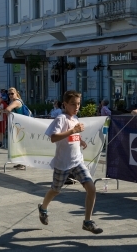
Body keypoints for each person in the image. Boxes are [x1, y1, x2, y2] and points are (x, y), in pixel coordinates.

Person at [37, 90, 102, 235]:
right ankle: (43, 207)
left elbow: (73, 137)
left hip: (77, 161)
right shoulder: (61, 118)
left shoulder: (75, 118)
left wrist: (80, 140)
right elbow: (53, 138)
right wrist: (73, 131)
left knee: (91, 188)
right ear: (65, 104)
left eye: (78, 104)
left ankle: (87, 221)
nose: (76, 107)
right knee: (55, 190)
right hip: (62, 163)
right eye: (73, 104)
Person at [4, 88, 28, 168]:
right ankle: (21, 162)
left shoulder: (16, 102)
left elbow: (8, 109)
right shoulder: (17, 100)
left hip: (22, 126)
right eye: (9, 94)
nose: (10, 95)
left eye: (12, 93)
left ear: (16, 93)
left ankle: (23, 163)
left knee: (22, 145)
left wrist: (7, 112)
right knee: (20, 144)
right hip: (20, 126)